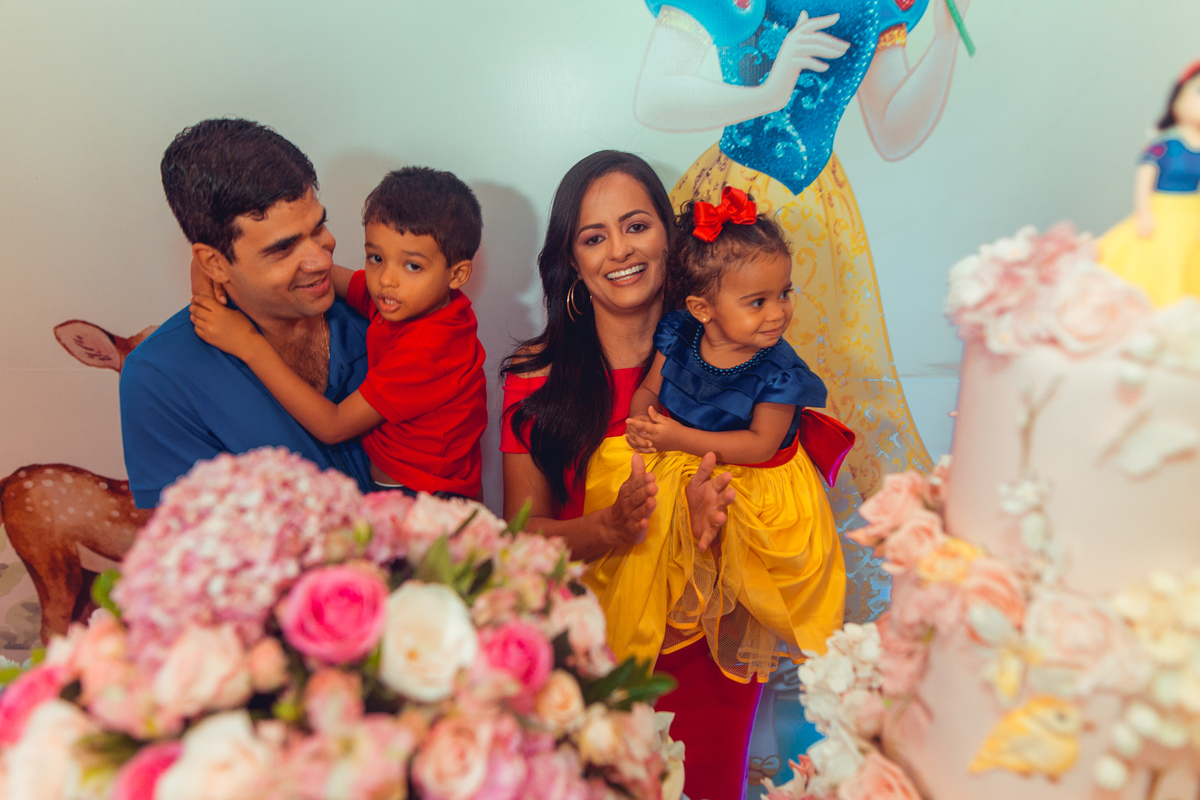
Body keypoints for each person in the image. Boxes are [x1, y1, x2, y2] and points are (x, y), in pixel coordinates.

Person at [633, 0, 973, 548]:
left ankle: (787, 548)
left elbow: (891, 130)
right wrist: (768, 93)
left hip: (816, 221)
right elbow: (654, 98)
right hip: (728, 207)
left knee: (808, 382)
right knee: (697, 363)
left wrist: (947, 38)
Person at [500, 151, 749, 800]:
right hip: (593, 660)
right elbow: (522, 544)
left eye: (636, 226)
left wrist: (711, 521)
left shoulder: (734, 358)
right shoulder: (534, 376)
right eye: (594, 236)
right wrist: (609, 527)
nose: (619, 250)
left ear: (670, 237)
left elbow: (779, 508)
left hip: (709, 658)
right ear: (573, 262)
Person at [617, 186, 849, 695]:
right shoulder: (678, 334)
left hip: (753, 483)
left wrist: (677, 437)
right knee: (643, 550)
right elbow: (652, 389)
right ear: (703, 308)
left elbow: (761, 445)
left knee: (741, 586)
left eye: (784, 294)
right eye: (758, 301)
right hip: (679, 460)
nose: (778, 313)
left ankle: (722, 661)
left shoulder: (779, 371)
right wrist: (641, 419)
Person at [191, 167, 488, 499]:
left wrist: (249, 345)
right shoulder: (410, 300)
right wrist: (217, 268)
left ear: (457, 273)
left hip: (428, 501)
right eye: (376, 257)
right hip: (409, 488)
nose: (386, 279)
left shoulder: (428, 347)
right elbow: (323, 274)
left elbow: (333, 426)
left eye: (412, 266)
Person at [120, 119, 373, 508]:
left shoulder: (383, 315)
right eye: (283, 249)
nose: (322, 260)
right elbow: (195, 552)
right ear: (214, 263)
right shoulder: (161, 379)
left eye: (319, 227)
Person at [1099, 59, 1200, 306]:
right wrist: (1144, 214)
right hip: (1163, 214)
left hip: (1192, 213)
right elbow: (1144, 182)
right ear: (1177, 99)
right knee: (1163, 263)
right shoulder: (1163, 144)